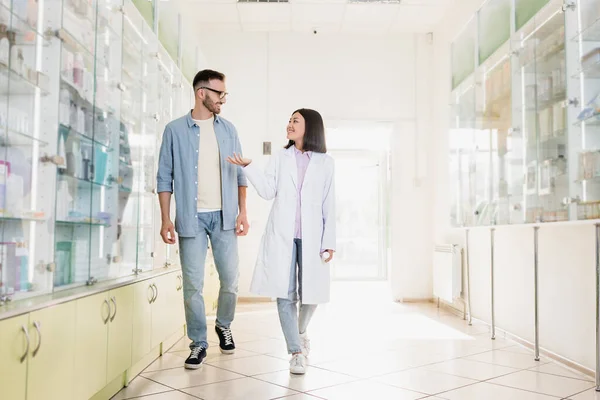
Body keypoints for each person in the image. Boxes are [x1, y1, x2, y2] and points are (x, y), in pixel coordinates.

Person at [227, 108, 336, 375]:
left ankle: (299, 332)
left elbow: (328, 204)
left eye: (295, 121)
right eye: (289, 120)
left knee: (312, 294)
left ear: (309, 127)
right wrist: (248, 168)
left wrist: (329, 240)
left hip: (313, 238)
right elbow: (266, 191)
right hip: (283, 235)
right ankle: (296, 352)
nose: (289, 124)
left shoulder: (325, 162)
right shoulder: (281, 157)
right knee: (285, 295)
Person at [157, 69, 249, 370]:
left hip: (224, 216)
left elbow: (239, 174)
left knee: (231, 281)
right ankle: (198, 343)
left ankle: (224, 324)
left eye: (225, 94)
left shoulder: (229, 129)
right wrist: (165, 219)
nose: (223, 99)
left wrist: (243, 212)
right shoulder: (174, 130)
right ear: (202, 93)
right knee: (193, 285)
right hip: (190, 218)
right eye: (219, 94)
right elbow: (164, 178)